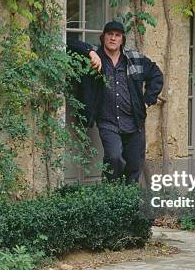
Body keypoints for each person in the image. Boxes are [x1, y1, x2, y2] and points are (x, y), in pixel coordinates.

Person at [67, 20, 163, 184]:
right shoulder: (94, 59)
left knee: (134, 165)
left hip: (134, 122)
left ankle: (127, 201)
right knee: (114, 157)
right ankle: (111, 192)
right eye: (110, 34)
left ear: (122, 39)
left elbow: (156, 74)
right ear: (103, 37)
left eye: (117, 35)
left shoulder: (133, 59)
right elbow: (67, 42)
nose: (113, 38)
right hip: (108, 122)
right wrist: (90, 51)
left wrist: (147, 101)